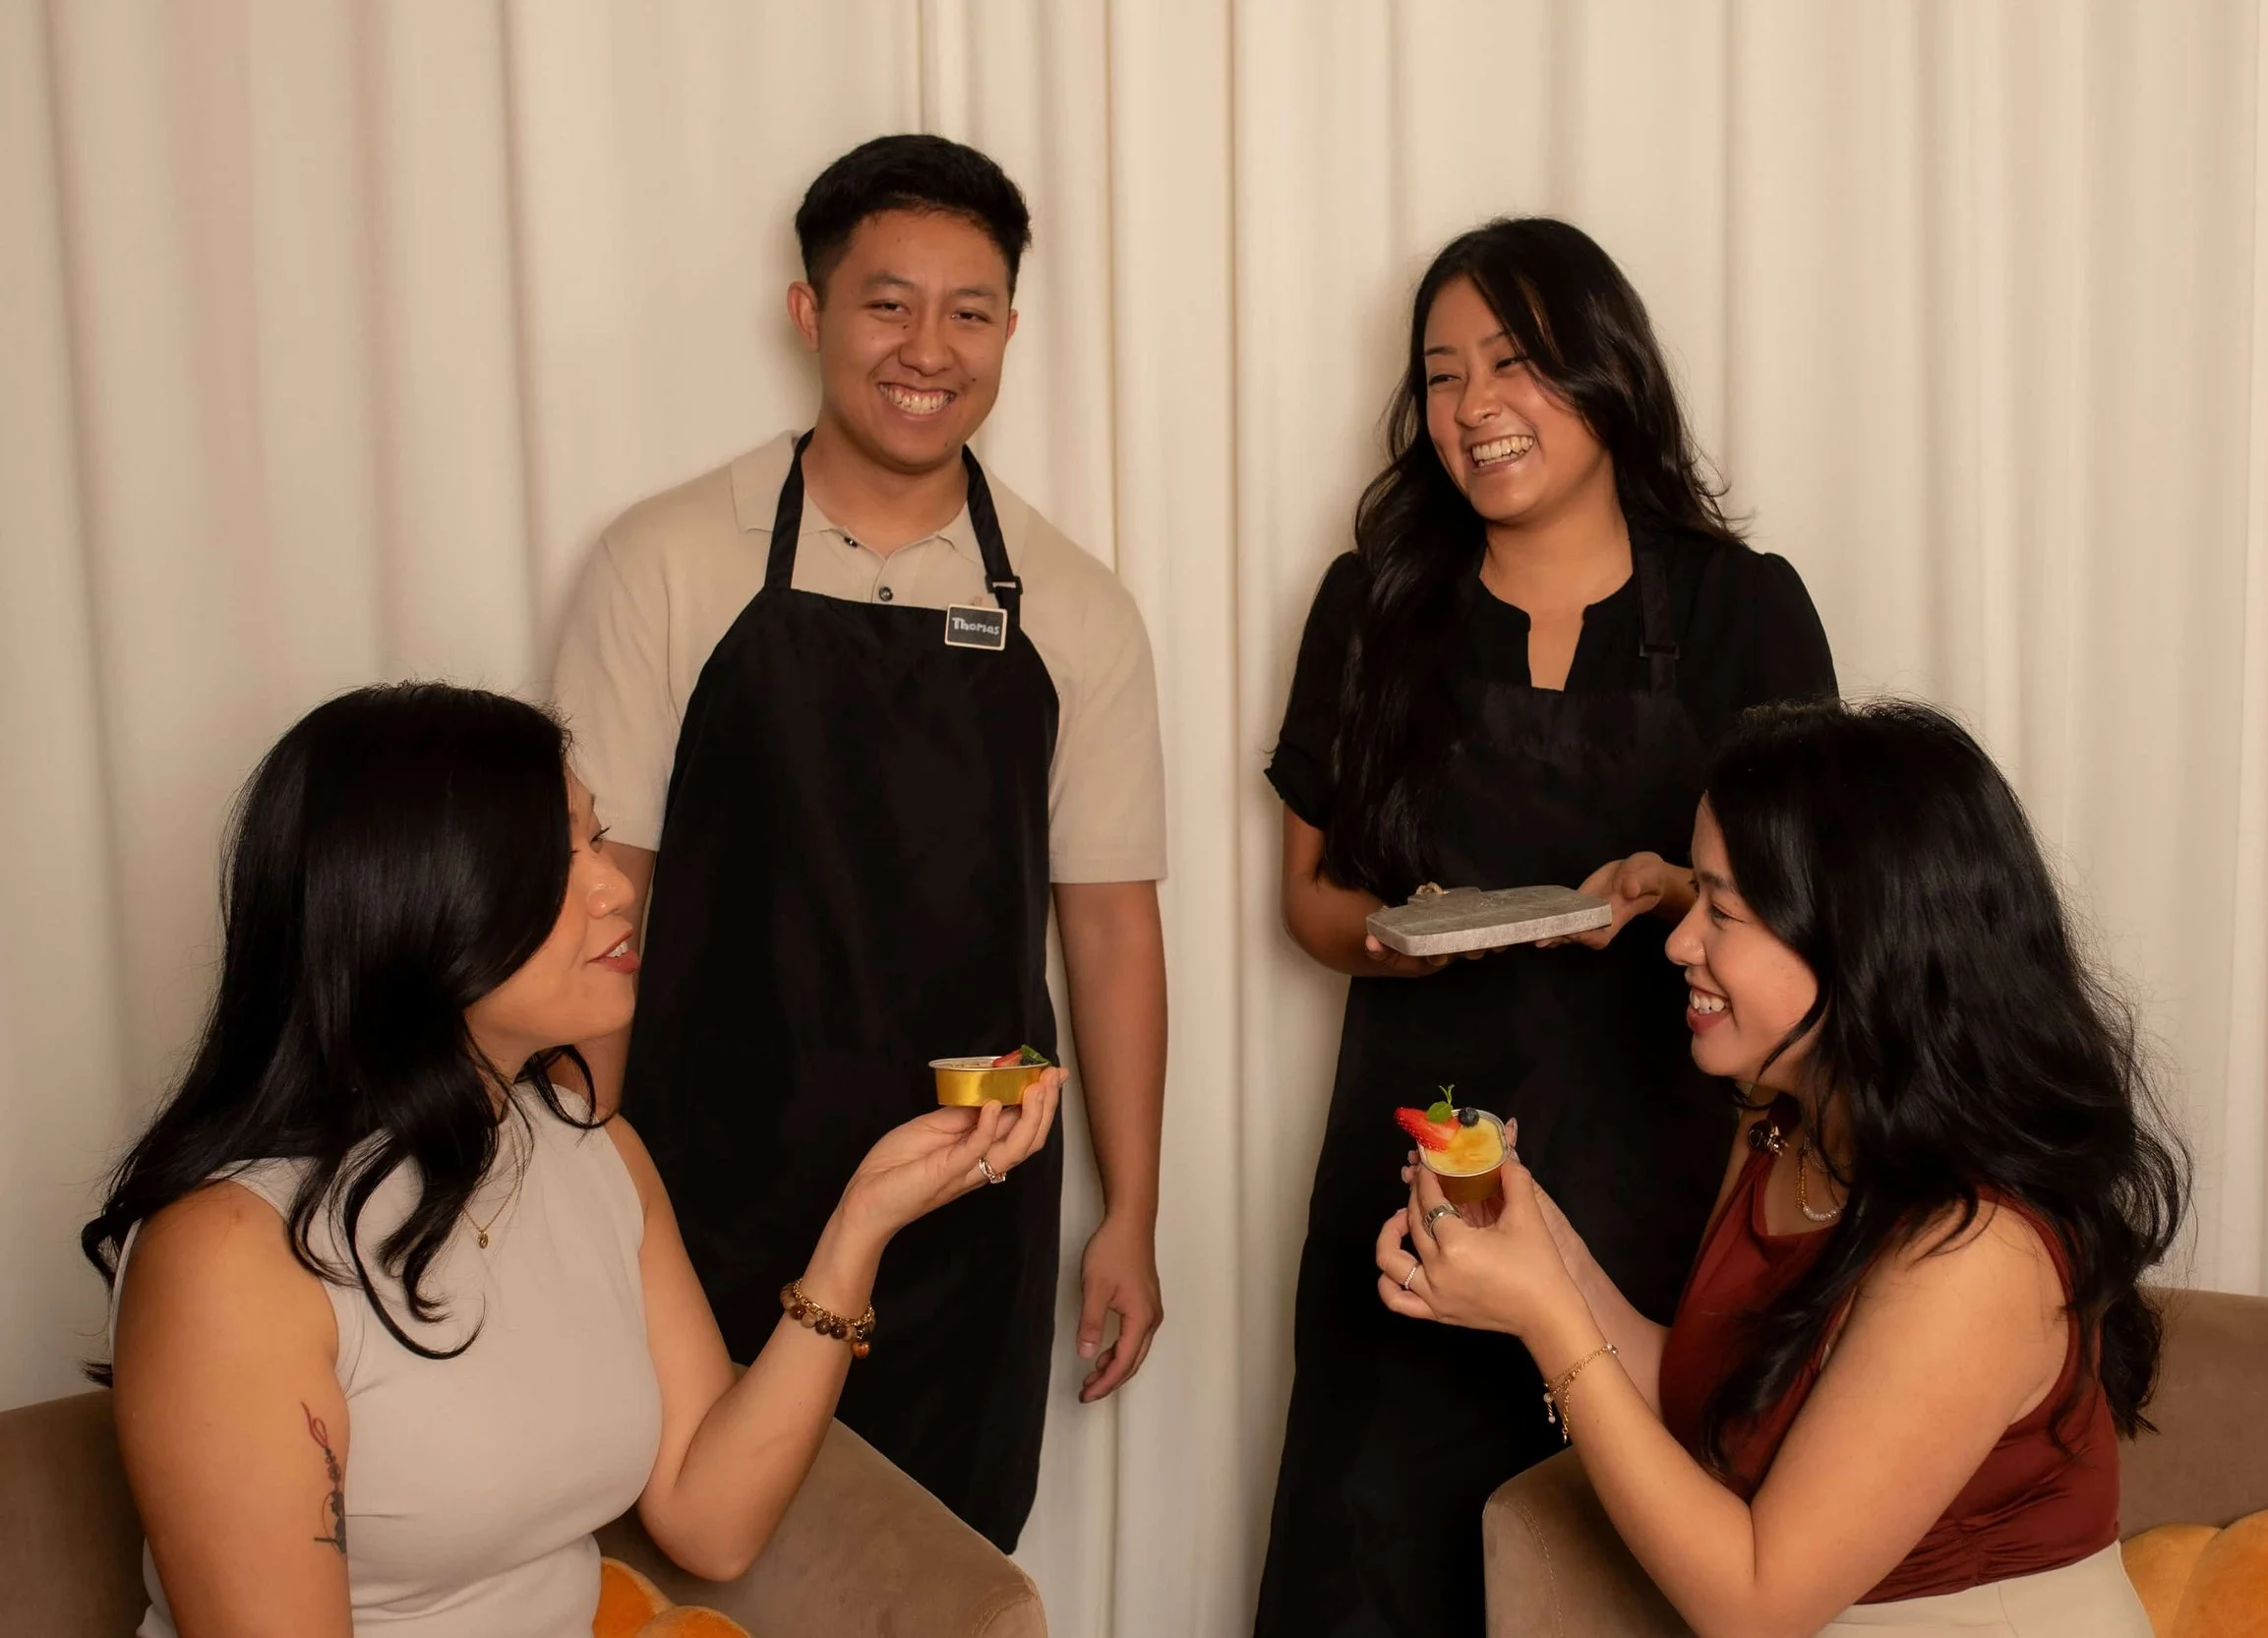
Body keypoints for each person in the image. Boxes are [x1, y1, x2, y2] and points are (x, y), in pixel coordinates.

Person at [86, 683, 1062, 1636]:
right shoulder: (230, 1256)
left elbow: (708, 1519)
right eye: (555, 858)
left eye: (595, 839)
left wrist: (862, 1223)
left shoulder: (593, 1152)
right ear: (407, 901)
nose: (615, 885)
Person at [552, 134, 1166, 1548]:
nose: (927, 348)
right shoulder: (668, 561)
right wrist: (577, 1208)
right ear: (809, 312)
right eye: (887, 303)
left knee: (933, 1577)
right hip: (696, 1192)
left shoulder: (1075, 608)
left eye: (971, 310)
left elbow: (1113, 927)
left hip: (971, 1206)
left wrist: (1130, 1208)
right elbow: (600, 903)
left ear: (1013, 325)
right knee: (692, 1570)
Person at [1254, 216, 1837, 1635]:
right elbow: (1309, 901)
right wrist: (1393, 936)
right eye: (1441, 375)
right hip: (1416, 1180)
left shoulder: (1738, 607)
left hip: (1666, 1181)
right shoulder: (1371, 604)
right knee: (1374, 1561)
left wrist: (1675, 891)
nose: (1472, 408)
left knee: (1626, 1565)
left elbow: (1823, 902)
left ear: (1605, 370)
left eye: (1512, 362)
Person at [1376, 699, 2187, 1636]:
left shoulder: (1981, 1249)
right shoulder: (1781, 1119)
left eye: (1722, 910)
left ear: (1862, 945)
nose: (1681, 943)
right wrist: (1535, 1242)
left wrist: (1545, 1317)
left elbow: (1755, 1601)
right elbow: (1704, 1402)